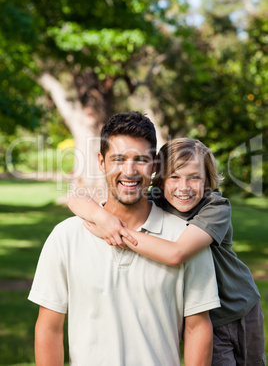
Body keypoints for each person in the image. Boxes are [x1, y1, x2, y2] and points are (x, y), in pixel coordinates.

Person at [28, 112, 220, 366]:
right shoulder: (66, 237)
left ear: (154, 165)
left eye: (140, 160)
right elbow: (49, 329)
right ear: (101, 162)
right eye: (118, 159)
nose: (129, 171)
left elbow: (197, 329)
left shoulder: (186, 238)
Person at [68, 137, 266, 366]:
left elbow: (176, 253)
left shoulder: (215, 207)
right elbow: (77, 197)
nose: (184, 187)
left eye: (194, 177)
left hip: (242, 307)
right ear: (160, 180)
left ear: (208, 180)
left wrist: (115, 232)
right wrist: (102, 217)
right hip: (206, 318)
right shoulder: (156, 200)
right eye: (174, 177)